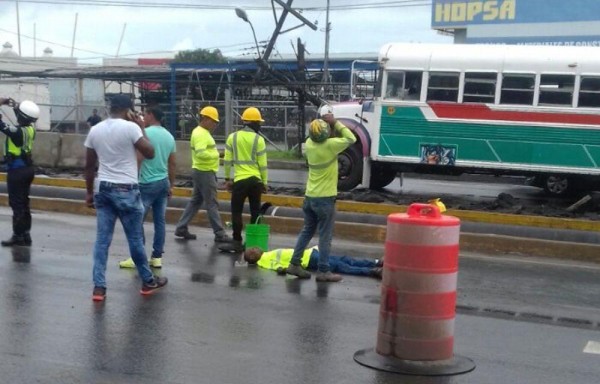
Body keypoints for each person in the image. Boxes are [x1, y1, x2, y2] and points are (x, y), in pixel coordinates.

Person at [84, 94, 167, 302]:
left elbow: (88, 166)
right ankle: (148, 281)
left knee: (102, 241)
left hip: (102, 188)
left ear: (110, 109)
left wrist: (88, 193)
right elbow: (150, 152)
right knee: (135, 239)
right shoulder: (131, 128)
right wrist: (140, 127)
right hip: (127, 189)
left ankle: (99, 288)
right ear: (128, 110)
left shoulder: (95, 130)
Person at [286, 105, 356, 282]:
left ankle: (294, 264)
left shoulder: (309, 145)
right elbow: (351, 138)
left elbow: (318, 135)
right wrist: (335, 122)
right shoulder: (331, 146)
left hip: (310, 197)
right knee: (325, 235)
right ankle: (324, 270)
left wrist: (323, 124)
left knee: (307, 231)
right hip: (325, 199)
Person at [119, 106, 176, 270]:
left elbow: (137, 159)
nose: (143, 117)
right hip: (163, 182)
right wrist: (171, 185)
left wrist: (131, 181)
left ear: (151, 115)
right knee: (160, 221)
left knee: (136, 221)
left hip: (145, 183)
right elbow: (172, 163)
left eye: (145, 115)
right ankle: (157, 257)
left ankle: (136, 257)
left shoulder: (144, 135)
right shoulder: (169, 137)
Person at [174, 106, 231, 243]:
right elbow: (200, 152)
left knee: (196, 201)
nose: (215, 124)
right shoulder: (200, 134)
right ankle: (219, 233)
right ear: (205, 119)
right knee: (211, 202)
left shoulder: (202, 132)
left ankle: (181, 227)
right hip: (204, 171)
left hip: (202, 170)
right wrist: (216, 155)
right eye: (213, 121)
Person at [221, 107, 268, 253]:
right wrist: (264, 182)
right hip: (255, 181)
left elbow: (227, 161)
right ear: (253, 123)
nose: (259, 126)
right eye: (258, 123)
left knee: (236, 212)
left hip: (240, 181)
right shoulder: (259, 139)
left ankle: (236, 241)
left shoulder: (232, 137)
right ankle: (252, 243)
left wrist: (228, 179)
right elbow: (263, 164)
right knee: (255, 212)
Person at [0, 98, 39, 246]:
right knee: (24, 203)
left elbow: (2, 126)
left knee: (16, 203)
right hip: (28, 169)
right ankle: (25, 234)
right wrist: (16, 106)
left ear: (22, 117)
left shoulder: (17, 132)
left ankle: (17, 235)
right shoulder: (30, 129)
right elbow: (22, 117)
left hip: (17, 171)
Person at [244, 246, 383, 279]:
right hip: (309, 258)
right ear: (253, 256)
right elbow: (276, 266)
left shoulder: (267, 254)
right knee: (341, 264)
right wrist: (282, 269)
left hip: (311, 253)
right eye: (253, 249)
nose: (256, 248)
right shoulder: (263, 260)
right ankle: (373, 268)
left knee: (342, 261)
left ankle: (375, 264)